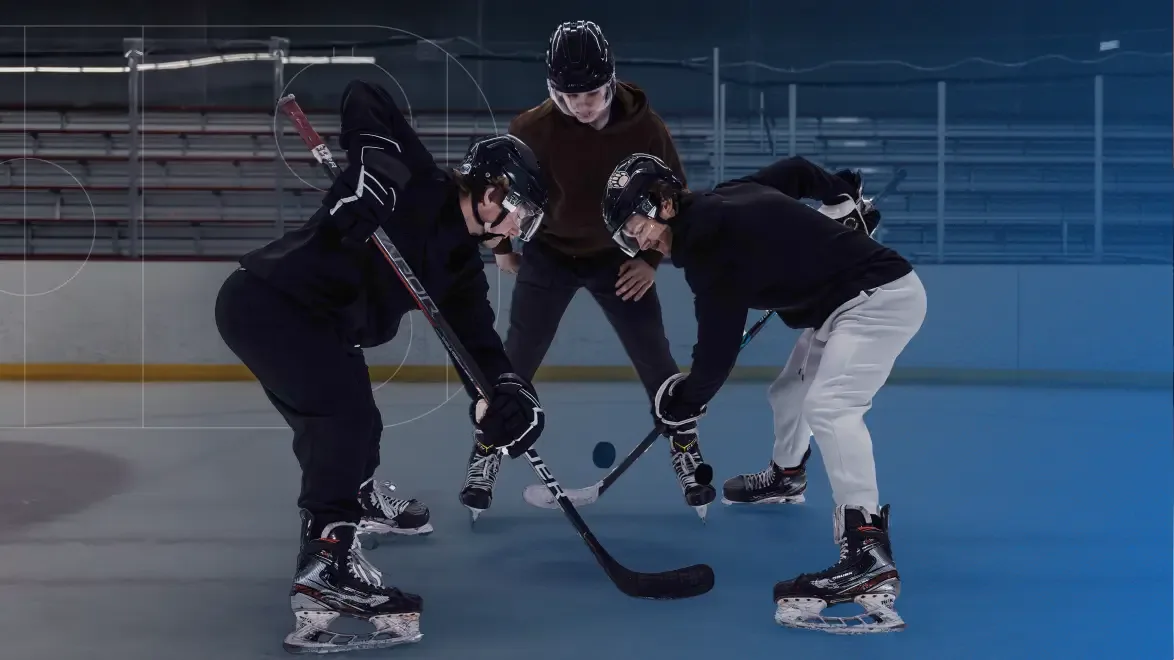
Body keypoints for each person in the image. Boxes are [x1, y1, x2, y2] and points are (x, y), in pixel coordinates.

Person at [214, 79, 549, 654]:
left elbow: (478, 342)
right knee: (343, 418)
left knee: (346, 420)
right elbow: (364, 93)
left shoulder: (460, 270)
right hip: (271, 301)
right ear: (494, 192)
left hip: (311, 322)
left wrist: (512, 391)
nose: (519, 228)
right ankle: (326, 571)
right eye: (521, 212)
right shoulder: (418, 181)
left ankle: (353, 497)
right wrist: (376, 168)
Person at [601, 153, 926, 634]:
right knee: (789, 392)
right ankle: (787, 477)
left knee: (831, 406)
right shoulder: (724, 195)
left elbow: (715, 354)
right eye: (628, 233)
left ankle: (868, 553)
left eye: (637, 221)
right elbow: (796, 170)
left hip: (877, 300)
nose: (639, 238)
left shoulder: (710, 245)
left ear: (664, 201)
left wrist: (684, 404)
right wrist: (840, 194)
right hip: (840, 305)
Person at [460, 19, 715, 523]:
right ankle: (486, 451)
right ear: (552, 89)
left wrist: (648, 259)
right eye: (569, 95)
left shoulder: (646, 127)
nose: (582, 105)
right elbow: (511, 190)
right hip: (549, 253)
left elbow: (671, 196)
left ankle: (685, 449)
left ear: (612, 81)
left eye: (593, 94)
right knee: (514, 359)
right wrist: (504, 247)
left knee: (655, 355)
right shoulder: (530, 128)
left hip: (617, 258)